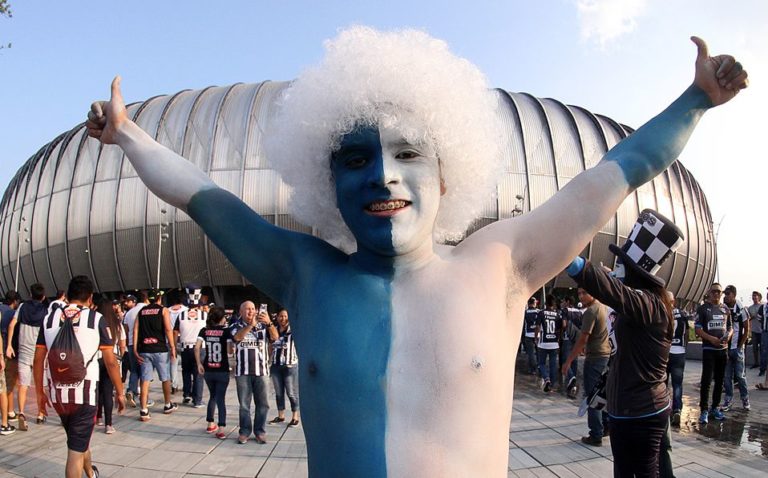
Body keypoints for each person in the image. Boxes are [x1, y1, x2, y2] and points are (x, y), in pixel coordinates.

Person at [85, 26, 748, 476]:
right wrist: (128, 136)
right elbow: (201, 195)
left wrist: (697, 100)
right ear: (327, 184)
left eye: (408, 153)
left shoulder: (502, 263)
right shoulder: (303, 273)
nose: (383, 175)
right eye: (355, 158)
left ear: (446, 175)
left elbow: (621, 168)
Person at [567, 209, 683, 477]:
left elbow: (616, 293)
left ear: (633, 274)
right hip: (626, 410)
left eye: (620, 264)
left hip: (642, 412)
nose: (614, 268)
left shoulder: (650, 305)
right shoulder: (644, 303)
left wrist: (577, 266)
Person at [32, 275, 126, 478]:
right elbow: (110, 361)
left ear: (68, 295)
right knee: (74, 452)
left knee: (79, 441)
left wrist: (40, 393)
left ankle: (91, 474)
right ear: (90, 298)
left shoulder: (49, 319)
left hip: (58, 397)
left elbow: (38, 359)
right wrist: (120, 392)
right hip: (84, 396)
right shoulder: (96, 319)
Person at [561, 288, 610, 446]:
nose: (581, 296)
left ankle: (595, 434)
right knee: (601, 393)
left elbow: (582, 339)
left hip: (595, 358)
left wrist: (568, 361)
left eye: (584, 292)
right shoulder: (603, 307)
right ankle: (605, 426)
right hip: (605, 356)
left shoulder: (591, 311)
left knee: (592, 396)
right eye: (579, 293)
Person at [231, 301, 278, 444]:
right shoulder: (235, 325)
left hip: (261, 371)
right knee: (244, 405)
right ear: (241, 312)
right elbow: (237, 338)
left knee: (263, 404)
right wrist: (251, 325)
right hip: (243, 372)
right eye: (247, 309)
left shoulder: (264, 325)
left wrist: (269, 323)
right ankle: (244, 431)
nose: (251, 312)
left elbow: (275, 337)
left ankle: (260, 431)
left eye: (253, 309)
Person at [6, 283, 48, 429]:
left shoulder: (22, 307)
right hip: (39, 353)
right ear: (43, 297)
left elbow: (12, 325)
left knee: (23, 385)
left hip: (23, 351)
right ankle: (40, 414)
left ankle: (22, 412)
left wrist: (10, 345)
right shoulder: (45, 310)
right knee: (39, 386)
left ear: (30, 295)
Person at [134, 290, 177, 421]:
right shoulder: (163, 310)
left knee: (145, 379)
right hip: (160, 349)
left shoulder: (141, 311)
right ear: (159, 298)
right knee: (165, 378)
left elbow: (136, 330)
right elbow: (168, 329)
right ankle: (167, 404)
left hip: (144, 349)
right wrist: (173, 346)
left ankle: (143, 409)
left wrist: (135, 349)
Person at [696, 282, 732, 424]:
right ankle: (704, 410)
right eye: (714, 291)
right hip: (709, 350)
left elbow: (730, 327)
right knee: (706, 381)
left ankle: (715, 407)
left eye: (719, 292)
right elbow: (698, 329)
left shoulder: (725, 309)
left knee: (720, 380)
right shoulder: (703, 309)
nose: (716, 294)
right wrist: (712, 339)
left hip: (722, 351)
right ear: (709, 293)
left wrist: (728, 336)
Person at [195, 305, 232, 439]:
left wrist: (199, 363)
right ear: (222, 318)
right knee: (220, 398)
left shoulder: (204, 330)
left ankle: (210, 423)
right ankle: (221, 427)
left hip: (208, 368)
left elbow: (197, 347)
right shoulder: (226, 331)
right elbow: (229, 351)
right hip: (222, 369)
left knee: (212, 396)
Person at [96, 299, 126, 434]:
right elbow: (122, 345)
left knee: (97, 390)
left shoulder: (96, 323)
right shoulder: (117, 324)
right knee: (108, 391)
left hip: (96, 358)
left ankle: (98, 417)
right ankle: (108, 424)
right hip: (111, 358)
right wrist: (120, 358)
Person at [174, 284, 207, 407]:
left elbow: (175, 331)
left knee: (186, 372)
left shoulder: (181, 315)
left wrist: (173, 346)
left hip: (185, 347)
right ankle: (197, 400)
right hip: (200, 347)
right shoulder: (204, 315)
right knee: (198, 373)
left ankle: (187, 395)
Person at [269, 309, 300, 426]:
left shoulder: (293, 331)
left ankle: (295, 416)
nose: (283, 319)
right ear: (277, 318)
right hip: (276, 365)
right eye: (281, 316)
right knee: (278, 392)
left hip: (290, 365)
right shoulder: (274, 330)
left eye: (285, 316)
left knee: (291, 392)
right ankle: (281, 416)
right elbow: (270, 346)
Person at [722, 285, 750, 411]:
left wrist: (740, 346)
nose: (725, 296)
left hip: (737, 348)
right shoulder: (724, 307)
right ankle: (728, 399)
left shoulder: (741, 309)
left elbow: (746, 329)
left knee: (740, 376)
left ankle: (745, 399)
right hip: (727, 348)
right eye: (725, 294)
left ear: (733, 294)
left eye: (728, 293)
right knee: (727, 376)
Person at [668, 294, 690, 426]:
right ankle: (677, 409)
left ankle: (663, 407)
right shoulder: (682, 314)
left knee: (663, 383)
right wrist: (684, 347)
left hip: (666, 353)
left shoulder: (664, 313)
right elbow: (687, 333)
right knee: (677, 384)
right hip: (679, 352)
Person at [0, 291, 21, 427]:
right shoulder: (13, 314)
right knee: (8, 384)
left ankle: (10, 412)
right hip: (8, 352)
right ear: (15, 302)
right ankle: (9, 413)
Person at [535, 295, 562, 393]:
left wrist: (535, 338)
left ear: (546, 303)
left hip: (543, 343)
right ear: (554, 304)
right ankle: (552, 386)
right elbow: (560, 329)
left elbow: (537, 326)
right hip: (554, 343)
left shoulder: (541, 313)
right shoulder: (558, 315)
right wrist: (558, 341)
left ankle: (546, 379)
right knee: (553, 364)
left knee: (541, 363)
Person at [121, 293, 143, 407]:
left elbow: (125, 329)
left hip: (130, 344)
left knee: (134, 370)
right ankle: (144, 398)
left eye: (128, 301)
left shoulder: (128, 314)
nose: (125, 303)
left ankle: (130, 391)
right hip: (141, 344)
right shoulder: (142, 310)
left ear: (134, 302)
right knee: (144, 372)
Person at [560, 296, 582, 398]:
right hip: (576, 338)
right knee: (575, 360)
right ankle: (573, 386)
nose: (563, 303)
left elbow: (564, 324)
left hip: (567, 337)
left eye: (564, 301)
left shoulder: (565, 311)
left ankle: (571, 377)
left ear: (568, 301)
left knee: (566, 360)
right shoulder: (579, 312)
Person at [167, 290, 188, 395]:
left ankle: (174, 385)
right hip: (184, 338)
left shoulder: (167, 310)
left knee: (173, 363)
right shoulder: (186, 310)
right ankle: (187, 385)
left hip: (170, 338)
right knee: (186, 364)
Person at [522, 298, 539, 375]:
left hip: (528, 334)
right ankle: (538, 366)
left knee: (530, 353)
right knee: (539, 352)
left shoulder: (525, 312)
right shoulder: (539, 312)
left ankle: (532, 368)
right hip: (537, 334)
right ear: (534, 303)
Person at [747, 291, 762, 369]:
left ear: (758, 297)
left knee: (763, 349)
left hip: (762, 331)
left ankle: (763, 364)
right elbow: (748, 319)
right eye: (753, 296)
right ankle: (756, 363)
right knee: (755, 348)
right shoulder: (750, 308)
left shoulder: (762, 306)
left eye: (755, 296)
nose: (754, 297)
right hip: (754, 331)